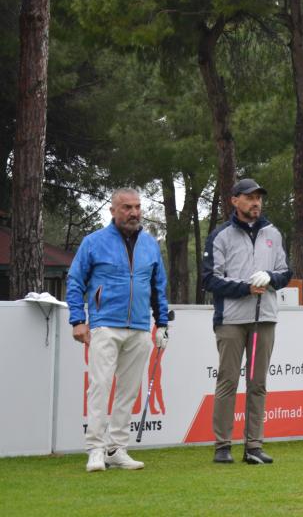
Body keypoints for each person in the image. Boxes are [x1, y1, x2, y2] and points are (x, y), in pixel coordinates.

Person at [67, 187, 170, 473]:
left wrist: (162, 323)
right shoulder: (93, 242)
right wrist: (77, 320)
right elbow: (75, 281)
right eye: (127, 207)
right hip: (104, 323)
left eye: (137, 207)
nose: (134, 212)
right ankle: (95, 449)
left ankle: (116, 449)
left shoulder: (150, 245)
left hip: (139, 326)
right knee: (100, 386)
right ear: (113, 211)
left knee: (129, 390)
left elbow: (158, 286)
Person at [202, 178, 293, 465]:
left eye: (259, 198)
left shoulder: (273, 233)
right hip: (231, 320)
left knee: (257, 384)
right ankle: (222, 446)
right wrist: (245, 287)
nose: (256, 202)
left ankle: (253, 445)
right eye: (250, 197)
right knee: (228, 381)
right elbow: (209, 279)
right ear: (235, 200)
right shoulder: (221, 235)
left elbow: (285, 272)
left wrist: (271, 277)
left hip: (263, 319)